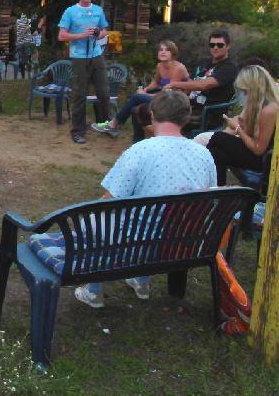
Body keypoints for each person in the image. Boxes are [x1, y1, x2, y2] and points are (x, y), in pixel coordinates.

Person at [72, 91, 217, 308]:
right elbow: (209, 196)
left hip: (138, 245)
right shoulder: (204, 154)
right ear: (186, 117)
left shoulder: (140, 151)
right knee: (154, 218)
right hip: (186, 243)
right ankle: (141, 281)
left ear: (152, 114)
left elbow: (109, 200)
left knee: (92, 221)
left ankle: (93, 290)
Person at [91, 40, 189, 141]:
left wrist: (144, 95)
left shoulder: (178, 68)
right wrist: (145, 90)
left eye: (167, 50)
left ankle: (113, 124)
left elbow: (170, 93)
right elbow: (156, 82)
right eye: (161, 50)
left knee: (137, 97)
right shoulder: (160, 66)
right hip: (164, 96)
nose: (163, 52)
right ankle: (137, 142)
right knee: (135, 110)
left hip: (175, 101)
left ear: (173, 53)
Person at [204, 65, 278, 185]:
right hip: (258, 155)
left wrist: (238, 129)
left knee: (218, 137)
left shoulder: (269, 109)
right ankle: (217, 194)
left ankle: (202, 181)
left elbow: (259, 149)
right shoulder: (259, 105)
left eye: (243, 91)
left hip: (264, 160)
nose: (241, 94)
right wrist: (244, 126)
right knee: (217, 154)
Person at [58, 0, 111, 144]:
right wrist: (81, 35)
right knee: (80, 94)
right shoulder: (70, 12)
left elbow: (104, 31)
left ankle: (104, 124)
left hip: (96, 55)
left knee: (103, 91)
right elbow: (62, 35)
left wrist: (98, 34)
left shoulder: (98, 10)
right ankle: (78, 131)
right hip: (79, 57)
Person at [163, 29, 237, 131]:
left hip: (207, 113)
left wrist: (174, 84)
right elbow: (192, 83)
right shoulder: (204, 63)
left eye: (220, 45)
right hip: (189, 105)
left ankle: (167, 142)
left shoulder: (229, 67)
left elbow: (204, 85)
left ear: (228, 46)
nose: (215, 48)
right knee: (142, 110)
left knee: (164, 118)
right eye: (212, 45)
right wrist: (177, 92)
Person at [14, 12, 34, 79]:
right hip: (24, 42)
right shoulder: (28, 21)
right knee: (25, 58)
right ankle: (26, 72)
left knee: (24, 58)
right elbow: (22, 30)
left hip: (22, 42)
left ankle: (25, 71)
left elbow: (17, 31)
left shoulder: (19, 21)